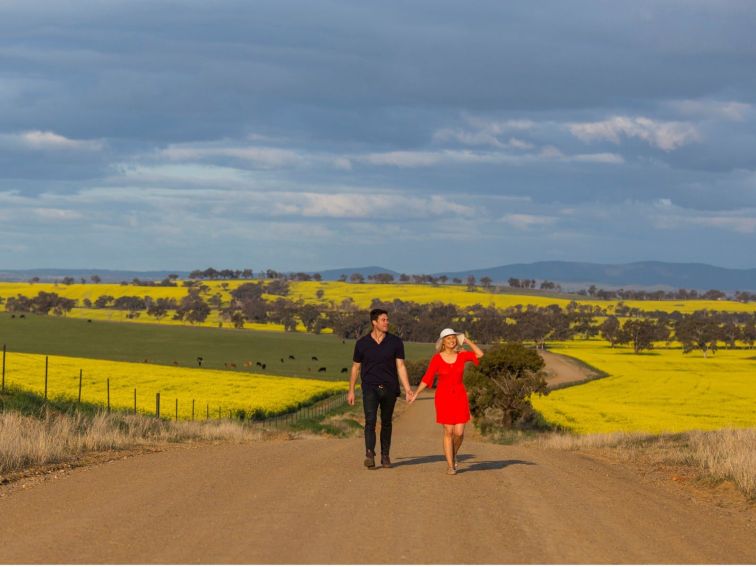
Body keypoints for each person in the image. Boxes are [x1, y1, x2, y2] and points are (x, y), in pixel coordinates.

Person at [409, 328, 484, 475]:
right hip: (443, 397)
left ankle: (454, 452)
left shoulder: (461, 355)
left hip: (459, 396)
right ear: (442, 342)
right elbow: (427, 377)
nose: (452, 340)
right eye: (448, 338)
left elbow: (480, 354)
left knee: (459, 432)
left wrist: (466, 340)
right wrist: (416, 393)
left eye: (454, 338)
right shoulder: (437, 359)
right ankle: (450, 465)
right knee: (448, 431)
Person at [348, 308, 413, 469]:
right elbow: (356, 368)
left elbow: (400, 366)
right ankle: (369, 454)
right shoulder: (362, 343)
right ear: (374, 322)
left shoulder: (396, 342)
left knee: (386, 422)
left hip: (390, 387)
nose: (387, 322)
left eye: (387, 320)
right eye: (383, 320)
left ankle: (385, 455)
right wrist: (351, 390)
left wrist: (407, 388)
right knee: (370, 421)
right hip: (370, 387)